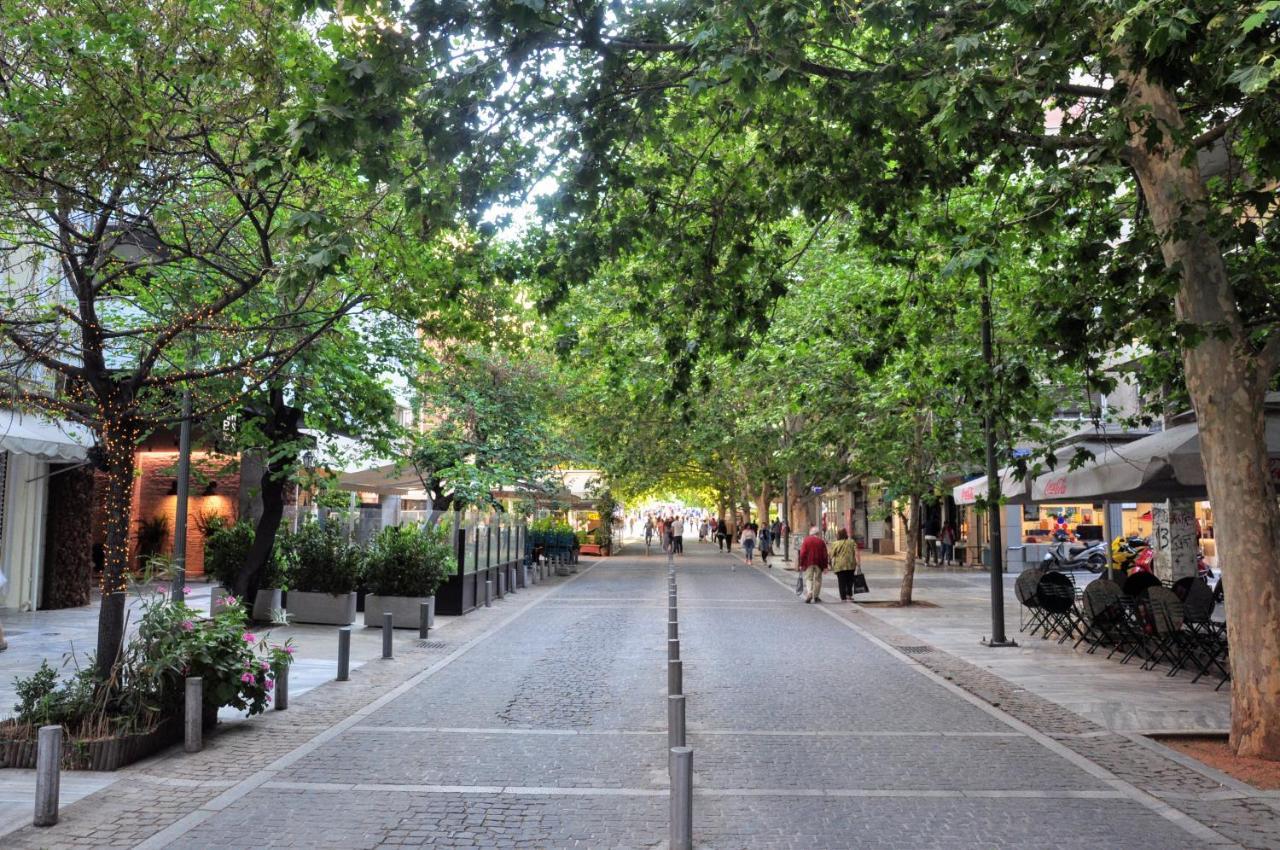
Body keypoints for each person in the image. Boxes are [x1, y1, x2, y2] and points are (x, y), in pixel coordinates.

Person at [797, 525, 829, 603]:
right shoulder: (821, 542)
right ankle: (816, 596)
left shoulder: (806, 540)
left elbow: (802, 553)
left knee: (809, 578)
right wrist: (825, 566)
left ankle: (809, 593)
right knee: (818, 579)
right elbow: (825, 555)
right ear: (817, 533)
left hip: (808, 563)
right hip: (819, 563)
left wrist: (801, 563)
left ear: (811, 533)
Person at [830, 529, 861, 602]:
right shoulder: (852, 542)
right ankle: (849, 595)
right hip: (851, 564)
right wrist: (858, 563)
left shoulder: (835, 544)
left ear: (838, 535)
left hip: (839, 566)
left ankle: (843, 597)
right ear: (846, 534)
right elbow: (856, 553)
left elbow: (831, 555)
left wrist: (829, 563)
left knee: (841, 582)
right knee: (850, 581)